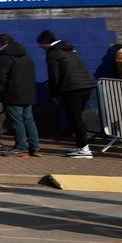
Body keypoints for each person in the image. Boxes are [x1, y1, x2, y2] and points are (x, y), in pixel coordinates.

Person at [39, 30, 97, 158]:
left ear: (45, 43)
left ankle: (84, 149)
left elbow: (54, 75)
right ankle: (81, 145)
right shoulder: (69, 49)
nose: (40, 48)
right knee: (77, 117)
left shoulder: (53, 53)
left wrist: (53, 94)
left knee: (74, 118)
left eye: (41, 45)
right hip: (86, 85)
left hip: (72, 88)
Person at [0, 33, 39, 157]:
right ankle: (35, 147)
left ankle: (21, 147)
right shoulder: (26, 55)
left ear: (0, 43)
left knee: (17, 120)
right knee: (29, 120)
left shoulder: (4, 57)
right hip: (28, 93)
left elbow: (0, 78)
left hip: (12, 94)